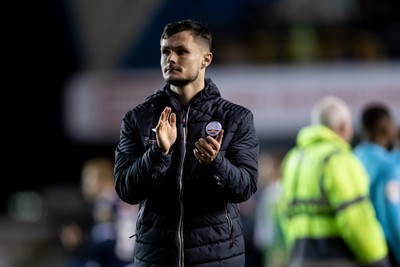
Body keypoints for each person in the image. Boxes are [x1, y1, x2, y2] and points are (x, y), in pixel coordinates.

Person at [113, 19, 259, 267]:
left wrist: (216, 162)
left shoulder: (236, 118)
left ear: (206, 59)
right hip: (156, 257)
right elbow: (126, 190)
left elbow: (245, 187)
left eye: (182, 51)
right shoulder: (138, 118)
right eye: (165, 51)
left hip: (217, 257)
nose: (171, 59)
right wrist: (158, 152)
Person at [277, 95, 391, 267]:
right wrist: (379, 259)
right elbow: (356, 217)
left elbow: (285, 213)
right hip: (338, 258)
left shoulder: (293, 159)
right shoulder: (338, 159)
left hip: (299, 257)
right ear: (343, 126)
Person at [59, 157, 138, 267]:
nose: (85, 183)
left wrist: (82, 241)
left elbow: (117, 241)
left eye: (88, 178)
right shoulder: (103, 203)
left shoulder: (112, 201)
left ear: (102, 178)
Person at [354, 103, 400, 267]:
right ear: (385, 127)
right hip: (385, 250)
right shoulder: (387, 167)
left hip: (357, 247)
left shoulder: (352, 159)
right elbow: (392, 217)